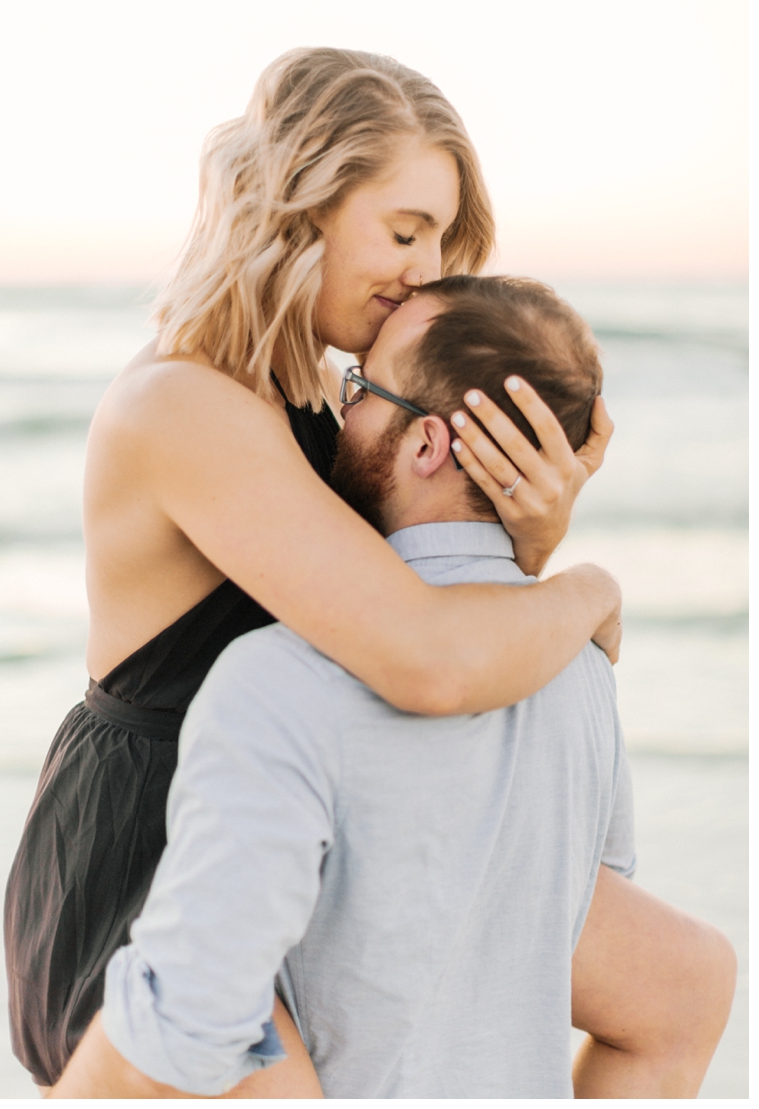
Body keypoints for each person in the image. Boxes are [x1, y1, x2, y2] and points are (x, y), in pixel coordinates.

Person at [4, 48, 624, 1093]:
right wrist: (585, 588)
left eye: (438, 237)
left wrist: (528, 538)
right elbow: (425, 657)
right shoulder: (184, 403)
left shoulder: (319, 393)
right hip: (161, 856)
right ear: (300, 206)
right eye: (404, 230)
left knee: (680, 978)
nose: (424, 270)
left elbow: (417, 618)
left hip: (312, 829)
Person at [47, 277, 735, 1099]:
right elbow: (575, 919)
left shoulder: (278, 683)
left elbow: (196, 1015)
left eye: (361, 387)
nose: (340, 412)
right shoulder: (583, 667)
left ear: (426, 447)